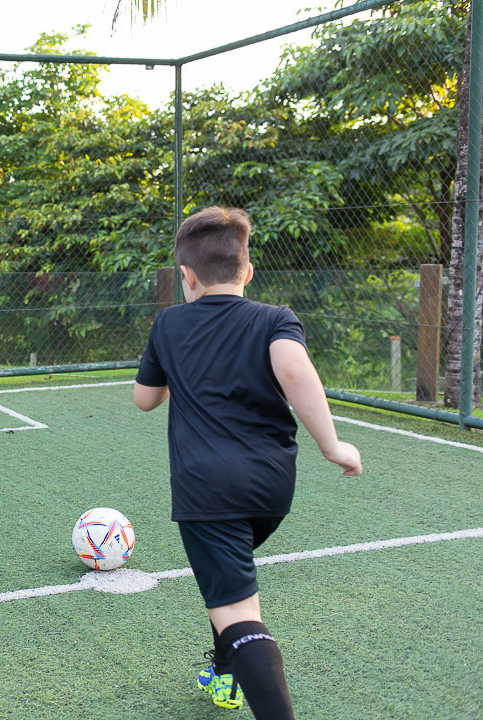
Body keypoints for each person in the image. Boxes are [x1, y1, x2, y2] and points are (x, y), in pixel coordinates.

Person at [133, 206, 362, 719]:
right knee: (227, 579)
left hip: (207, 490)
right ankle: (223, 672)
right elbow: (294, 369)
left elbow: (145, 399)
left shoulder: (168, 322)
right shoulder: (276, 318)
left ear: (187, 276)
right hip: (271, 488)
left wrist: (174, 366)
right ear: (248, 271)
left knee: (238, 611)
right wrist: (332, 446)